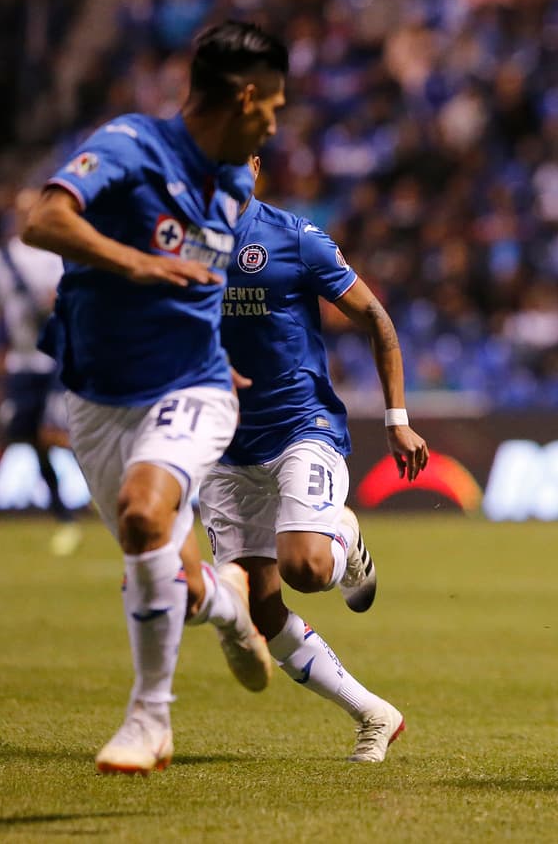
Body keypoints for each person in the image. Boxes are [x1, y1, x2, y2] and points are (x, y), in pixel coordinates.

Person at [22, 20, 289, 775]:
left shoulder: (236, 181)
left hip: (193, 386)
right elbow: (42, 219)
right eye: (272, 106)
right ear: (244, 97)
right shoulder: (130, 146)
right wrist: (133, 263)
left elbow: (203, 283)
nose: (275, 123)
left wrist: (219, 361)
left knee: (146, 514)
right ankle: (227, 601)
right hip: (99, 399)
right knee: (164, 565)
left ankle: (150, 720)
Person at [198, 155, 429, 762]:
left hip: (303, 428)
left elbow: (376, 317)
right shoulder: (177, 244)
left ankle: (345, 538)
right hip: (223, 448)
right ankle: (373, 714)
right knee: (257, 605)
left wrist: (397, 421)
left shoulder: (294, 238)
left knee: (304, 567)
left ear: (255, 165)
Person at [0, 188, 81, 556]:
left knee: (54, 433)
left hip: (57, 359)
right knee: (26, 436)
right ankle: (64, 515)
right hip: (22, 364)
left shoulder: (59, 254)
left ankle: (103, 493)